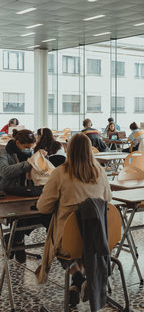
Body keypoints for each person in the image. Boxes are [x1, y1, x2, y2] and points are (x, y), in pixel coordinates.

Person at [36, 133, 112, 306]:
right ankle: (78, 283)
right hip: (97, 239)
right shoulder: (100, 171)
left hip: (69, 240)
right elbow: (108, 198)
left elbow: (43, 207)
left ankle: (77, 280)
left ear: (69, 150)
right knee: (83, 241)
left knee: (65, 247)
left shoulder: (60, 173)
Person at [0, 129, 51, 263]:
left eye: (30, 148)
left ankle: (16, 239)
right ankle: (17, 240)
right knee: (20, 213)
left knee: (35, 213)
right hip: (8, 191)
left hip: (24, 190)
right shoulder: (4, 152)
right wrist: (29, 163)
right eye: (26, 147)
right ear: (17, 143)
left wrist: (41, 159)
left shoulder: (28, 151)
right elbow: (4, 172)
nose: (28, 150)